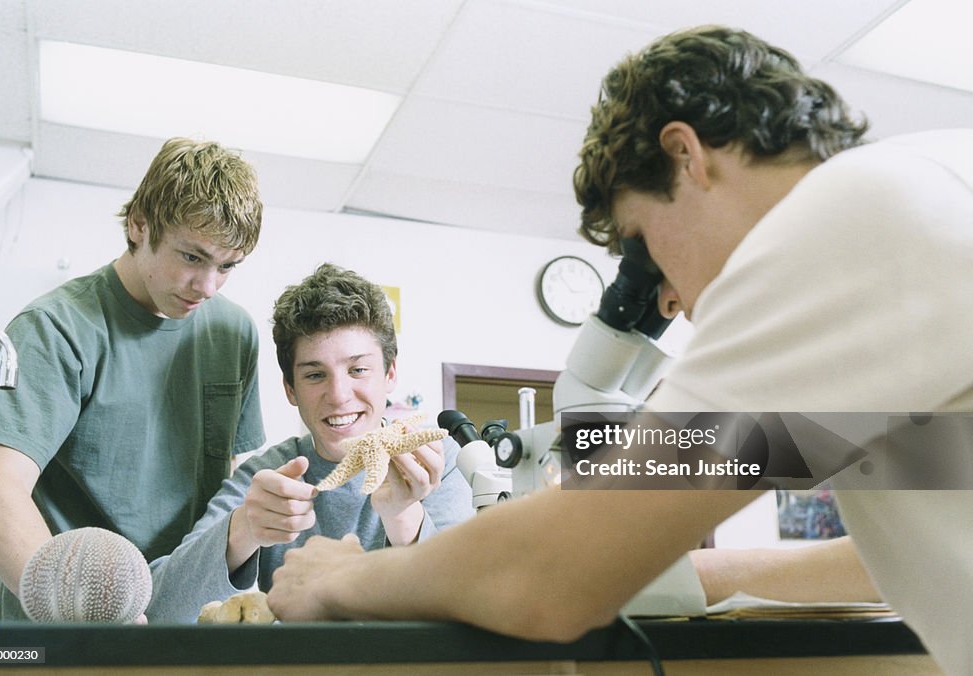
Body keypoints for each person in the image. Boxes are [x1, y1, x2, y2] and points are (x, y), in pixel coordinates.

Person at [262, 26, 972, 675]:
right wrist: (666, 563)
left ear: (684, 154)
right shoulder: (922, 197)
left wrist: (339, 579)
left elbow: (550, 578)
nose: (674, 303)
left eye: (646, 240)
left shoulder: (849, 225)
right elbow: (883, 553)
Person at [0, 137, 265, 621]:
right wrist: (74, 616)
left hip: (177, 622)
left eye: (227, 266)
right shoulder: (56, 327)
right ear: (139, 225)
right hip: (60, 628)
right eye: (192, 257)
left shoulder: (233, 332)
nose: (208, 286)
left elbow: (228, 484)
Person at [146, 263, 475, 623]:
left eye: (358, 369)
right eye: (315, 375)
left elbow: (468, 606)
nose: (338, 396)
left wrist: (402, 515)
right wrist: (243, 530)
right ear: (291, 389)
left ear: (390, 373)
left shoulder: (434, 461)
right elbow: (161, 611)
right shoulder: (270, 476)